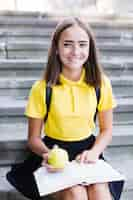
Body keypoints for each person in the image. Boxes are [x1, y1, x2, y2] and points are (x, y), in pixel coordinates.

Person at [6, 18, 124, 200]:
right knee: (76, 193)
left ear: (90, 49)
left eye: (82, 44)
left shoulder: (101, 84)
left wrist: (94, 152)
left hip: (88, 152)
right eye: (67, 44)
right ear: (56, 49)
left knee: (100, 193)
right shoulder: (42, 88)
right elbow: (33, 138)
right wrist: (47, 154)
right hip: (53, 152)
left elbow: (107, 130)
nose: (76, 51)